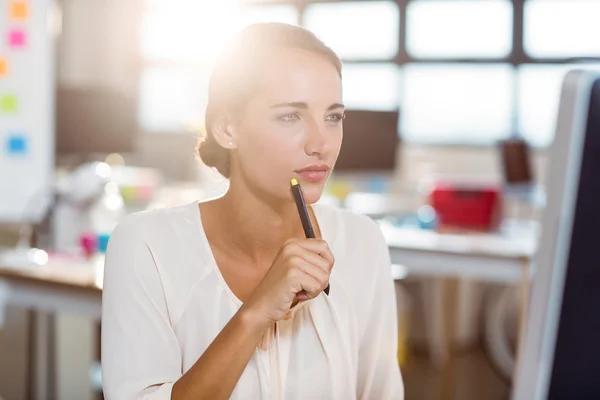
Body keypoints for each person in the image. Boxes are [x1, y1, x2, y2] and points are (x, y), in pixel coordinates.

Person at [101, 22, 404, 400]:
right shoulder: (146, 246)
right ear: (228, 127)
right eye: (290, 116)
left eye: (333, 116)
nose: (321, 144)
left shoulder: (362, 242)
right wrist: (256, 312)